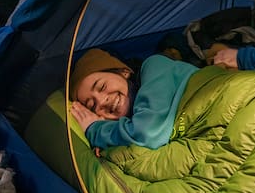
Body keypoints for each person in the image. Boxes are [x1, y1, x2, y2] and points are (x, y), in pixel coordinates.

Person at [68, 48, 198, 153]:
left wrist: (96, 130)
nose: (102, 101)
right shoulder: (127, 128)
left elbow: (147, 132)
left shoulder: (155, 66)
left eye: (102, 86)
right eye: (92, 105)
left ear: (123, 71)